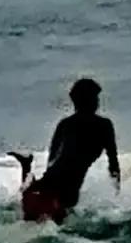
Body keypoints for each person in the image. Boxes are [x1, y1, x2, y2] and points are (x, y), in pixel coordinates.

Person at [9, 78, 120, 224]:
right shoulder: (104, 126)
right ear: (87, 101)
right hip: (67, 189)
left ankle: (26, 166)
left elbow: (52, 159)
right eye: (95, 98)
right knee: (54, 221)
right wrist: (117, 190)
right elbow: (113, 161)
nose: (97, 102)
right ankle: (26, 167)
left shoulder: (65, 124)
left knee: (31, 216)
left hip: (52, 180)